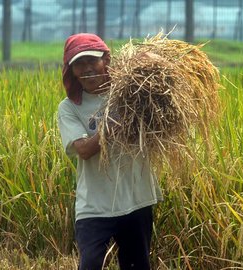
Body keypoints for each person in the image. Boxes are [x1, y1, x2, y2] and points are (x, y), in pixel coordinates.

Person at [57, 33, 163, 270]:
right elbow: (83, 150)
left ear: (106, 60)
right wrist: (112, 124)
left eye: (92, 61)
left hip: (136, 198)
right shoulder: (69, 108)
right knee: (91, 264)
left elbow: (153, 63)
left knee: (137, 265)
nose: (87, 69)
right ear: (71, 70)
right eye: (79, 64)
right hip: (95, 204)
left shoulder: (132, 93)